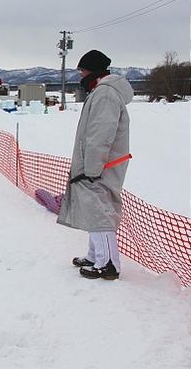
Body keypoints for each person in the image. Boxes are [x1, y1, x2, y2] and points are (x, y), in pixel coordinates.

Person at [57, 50, 134, 280]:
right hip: (95, 165)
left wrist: (91, 169)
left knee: (100, 211)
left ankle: (108, 263)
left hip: (100, 167)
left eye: (82, 70)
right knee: (93, 208)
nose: (80, 74)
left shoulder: (105, 95)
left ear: (93, 71)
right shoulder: (99, 92)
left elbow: (101, 135)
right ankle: (95, 255)